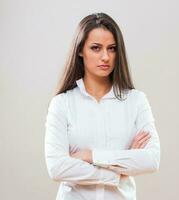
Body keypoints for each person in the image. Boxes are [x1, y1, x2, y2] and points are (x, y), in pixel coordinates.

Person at [45, 12, 161, 200]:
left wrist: (91, 156)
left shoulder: (136, 101)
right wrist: (120, 169)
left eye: (112, 48)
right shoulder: (62, 104)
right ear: (80, 50)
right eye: (96, 48)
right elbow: (57, 168)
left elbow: (151, 160)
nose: (105, 57)